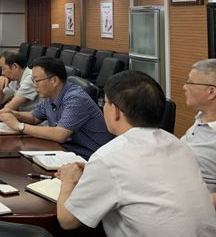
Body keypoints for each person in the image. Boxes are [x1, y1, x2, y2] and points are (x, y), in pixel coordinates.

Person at [57, 71, 216, 236]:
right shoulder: (178, 144)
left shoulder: (109, 156)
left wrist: (68, 181)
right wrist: (95, 171)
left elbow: (67, 221)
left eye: (105, 102)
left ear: (116, 111)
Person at [0, 56, 112, 159]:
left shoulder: (75, 98)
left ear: (54, 80)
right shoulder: (50, 95)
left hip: (91, 158)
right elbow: (34, 117)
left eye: (37, 80)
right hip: (66, 151)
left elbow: (60, 134)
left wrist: (19, 126)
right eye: (33, 80)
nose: (34, 84)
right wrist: (14, 113)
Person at [181, 59, 216, 204]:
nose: (184, 87)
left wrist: (200, 204)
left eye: (189, 82)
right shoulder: (200, 118)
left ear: (211, 92)